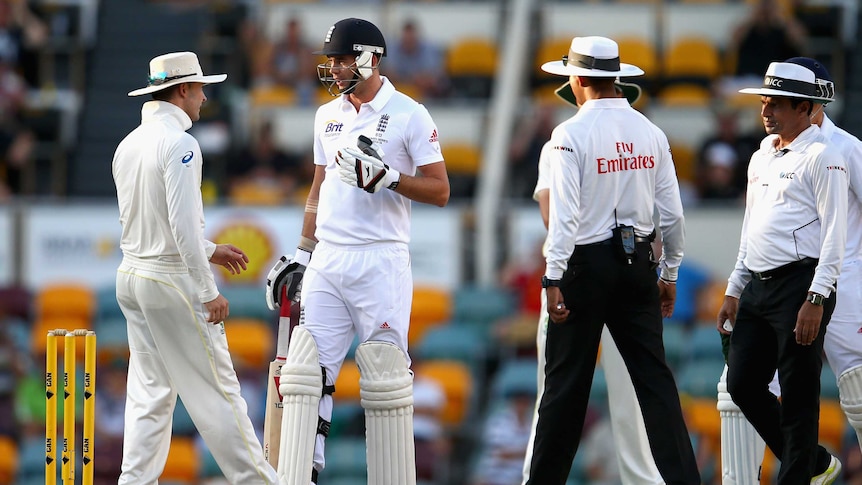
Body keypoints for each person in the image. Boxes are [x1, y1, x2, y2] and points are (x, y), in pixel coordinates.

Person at [263, 18, 449, 485]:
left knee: (385, 375)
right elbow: (318, 187)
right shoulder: (326, 116)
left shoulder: (410, 114)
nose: (335, 67)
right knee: (307, 372)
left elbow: (440, 190)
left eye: (343, 58)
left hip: (381, 258)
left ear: (372, 57)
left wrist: (389, 178)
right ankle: (302, 473)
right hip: (328, 258)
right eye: (331, 59)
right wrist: (304, 252)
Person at [523, 35, 700, 485]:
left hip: (584, 266)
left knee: (564, 392)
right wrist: (671, 271)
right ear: (616, 77)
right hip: (639, 262)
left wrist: (552, 277)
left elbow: (563, 218)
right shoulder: (650, 132)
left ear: (578, 78)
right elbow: (672, 214)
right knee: (657, 387)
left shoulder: (568, 135)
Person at [112, 51, 277, 484]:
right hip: (169, 281)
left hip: (132, 276)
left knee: (150, 395)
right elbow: (181, 226)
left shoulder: (129, 142)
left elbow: (152, 222)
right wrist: (208, 290)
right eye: (201, 88)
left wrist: (208, 249)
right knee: (217, 395)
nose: (204, 98)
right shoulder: (181, 144)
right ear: (182, 89)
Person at [718, 56, 862, 485]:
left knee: (850, 389)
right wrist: (734, 286)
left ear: (808, 106)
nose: (765, 110)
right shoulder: (763, 154)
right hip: (769, 283)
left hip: (828, 277)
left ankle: (803, 471)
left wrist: (820, 293)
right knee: (738, 388)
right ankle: (814, 465)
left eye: (776, 102)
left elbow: (836, 231)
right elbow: (753, 226)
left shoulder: (841, 151)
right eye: (765, 101)